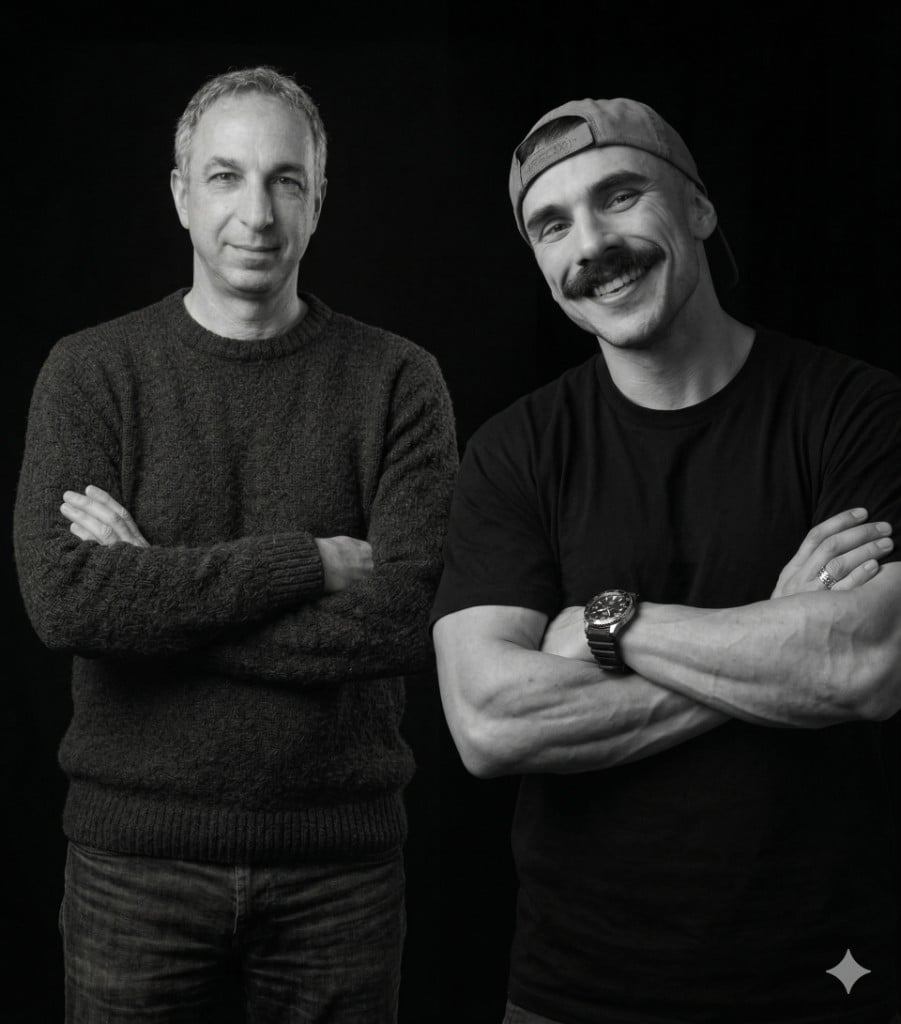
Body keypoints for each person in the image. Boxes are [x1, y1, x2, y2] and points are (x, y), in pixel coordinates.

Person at [432, 97, 901, 1023]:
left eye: (619, 196)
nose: (591, 244)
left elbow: (867, 663)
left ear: (698, 207)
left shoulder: (856, 412)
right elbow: (487, 722)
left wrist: (604, 625)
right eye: (551, 225)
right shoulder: (514, 452)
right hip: (574, 993)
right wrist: (777, 639)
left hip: (826, 983)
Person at [14, 66, 457, 1023]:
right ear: (181, 194)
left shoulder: (398, 380)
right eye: (225, 177)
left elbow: (400, 620)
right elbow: (66, 602)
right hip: (134, 864)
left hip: (338, 870)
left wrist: (150, 596)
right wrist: (304, 564)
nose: (256, 214)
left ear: (318, 200)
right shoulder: (90, 373)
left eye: (285, 181)